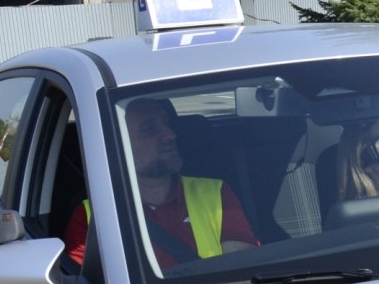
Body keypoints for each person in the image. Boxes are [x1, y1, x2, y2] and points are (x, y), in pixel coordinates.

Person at [63, 97, 258, 269]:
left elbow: (241, 271)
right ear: (117, 145)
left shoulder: (215, 193)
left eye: (166, 123)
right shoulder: (92, 216)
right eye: (149, 129)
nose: (170, 135)